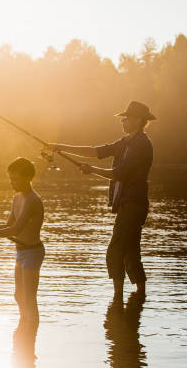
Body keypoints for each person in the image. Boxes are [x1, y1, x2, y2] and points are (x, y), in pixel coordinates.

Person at [48, 101, 155, 300]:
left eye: (127, 118)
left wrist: (92, 170)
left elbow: (119, 174)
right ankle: (139, 298)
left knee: (115, 251)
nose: (123, 120)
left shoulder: (141, 144)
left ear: (139, 120)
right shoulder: (125, 142)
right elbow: (96, 151)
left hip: (133, 204)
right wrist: (59, 147)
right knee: (131, 252)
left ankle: (117, 299)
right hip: (128, 204)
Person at [0, 157, 45, 327]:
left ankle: (30, 332)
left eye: (15, 179)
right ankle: (24, 327)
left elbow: (15, 230)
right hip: (21, 251)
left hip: (33, 252)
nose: (12, 182)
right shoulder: (17, 198)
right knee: (18, 296)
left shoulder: (32, 200)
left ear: (28, 177)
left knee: (29, 298)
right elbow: (7, 226)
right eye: (10, 178)